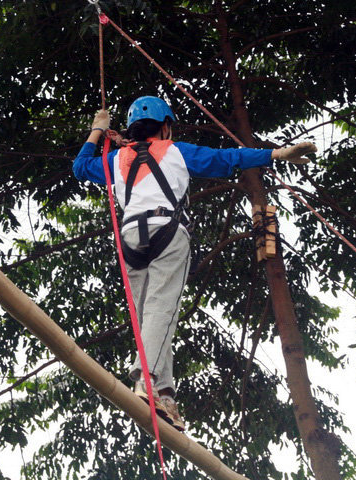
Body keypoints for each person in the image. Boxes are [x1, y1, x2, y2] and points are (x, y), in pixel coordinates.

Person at [73, 96, 315, 431]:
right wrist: (275, 154)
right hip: (168, 231)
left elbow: (80, 167)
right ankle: (147, 379)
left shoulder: (116, 159)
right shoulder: (175, 150)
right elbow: (228, 157)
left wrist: (96, 131)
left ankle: (164, 392)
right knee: (162, 308)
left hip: (130, 237)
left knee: (152, 316)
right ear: (166, 125)